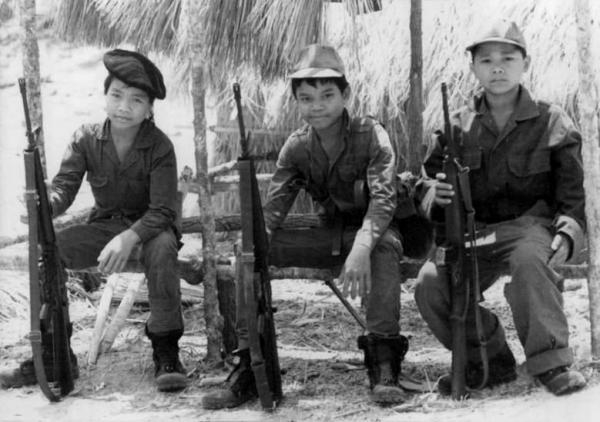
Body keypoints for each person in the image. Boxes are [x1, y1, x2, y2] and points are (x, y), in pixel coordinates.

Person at [201, 44, 430, 409]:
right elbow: (273, 211)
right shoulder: (296, 148)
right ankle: (249, 362)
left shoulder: (372, 135)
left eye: (327, 95)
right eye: (306, 98)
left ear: (346, 95)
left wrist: (361, 248)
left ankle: (383, 362)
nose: (317, 106)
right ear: (297, 102)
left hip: (375, 230)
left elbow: (384, 200)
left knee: (384, 247)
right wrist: (254, 245)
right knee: (249, 250)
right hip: (328, 233)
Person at [414, 19, 587, 397]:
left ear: (525, 63)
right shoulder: (454, 125)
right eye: (486, 60)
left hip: (528, 229)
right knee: (429, 284)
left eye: (507, 58)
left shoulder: (551, 120)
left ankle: (550, 362)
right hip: (471, 234)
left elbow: (573, 192)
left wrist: (567, 234)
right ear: (473, 67)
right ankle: (489, 359)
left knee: (529, 261)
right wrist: (432, 195)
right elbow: (424, 182)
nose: (497, 68)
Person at [0, 49, 187, 393]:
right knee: (50, 250)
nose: (124, 107)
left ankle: (166, 352)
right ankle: (54, 353)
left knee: (163, 248)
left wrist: (129, 237)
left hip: (151, 232)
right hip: (105, 229)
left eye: (136, 100)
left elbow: (163, 211)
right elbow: (64, 189)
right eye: (116, 95)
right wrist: (43, 205)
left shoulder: (160, 147)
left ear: (150, 108)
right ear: (105, 96)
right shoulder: (85, 138)